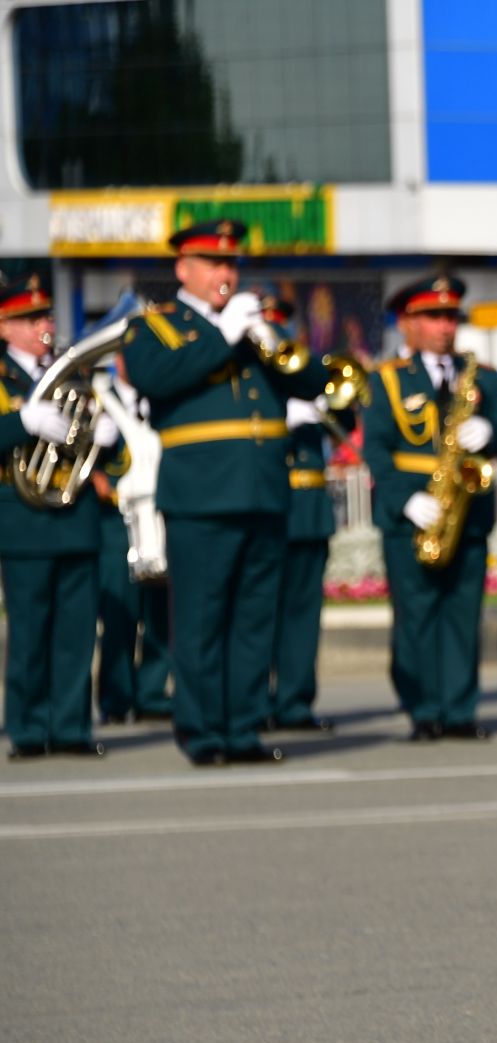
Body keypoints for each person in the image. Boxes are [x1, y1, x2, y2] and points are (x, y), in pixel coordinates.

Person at [121, 220, 331, 765]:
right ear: (182, 269)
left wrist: (269, 340)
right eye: (213, 263)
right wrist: (223, 336)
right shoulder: (156, 328)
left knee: (254, 619)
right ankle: (202, 731)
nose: (225, 273)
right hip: (200, 498)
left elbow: (312, 384)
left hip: (264, 494)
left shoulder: (253, 329)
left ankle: (243, 729)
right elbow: (157, 380)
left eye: (231, 264)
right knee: (201, 619)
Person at [363, 275, 497, 742]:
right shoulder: (389, 379)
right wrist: (402, 499)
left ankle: (459, 709)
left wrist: (492, 432)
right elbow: (374, 449)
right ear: (407, 323)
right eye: (433, 317)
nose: (445, 327)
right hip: (413, 511)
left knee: (462, 615)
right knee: (415, 615)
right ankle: (422, 708)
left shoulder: (483, 377)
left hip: (466, 512)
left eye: (451, 316)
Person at [0, 272, 111, 760]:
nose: (43, 324)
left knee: (77, 632)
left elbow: (99, 443)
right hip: (23, 518)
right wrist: (20, 421)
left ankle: (70, 727)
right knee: (29, 631)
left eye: (45, 315)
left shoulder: (75, 375)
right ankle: (27, 729)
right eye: (30, 318)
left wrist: (107, 436)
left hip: (75, 514)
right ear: (5, 326)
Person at [259, 292, 335, 732]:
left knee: (303, 614)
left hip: (307, 508)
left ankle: (295, 702)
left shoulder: (301, 369)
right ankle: (259, 702)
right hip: (270, 505)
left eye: (280, 323)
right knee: (262, 612)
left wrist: (324, 404)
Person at [93, 428, 173, 727]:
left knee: (161, 612)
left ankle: (151, 694)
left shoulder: (158, 394)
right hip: (117, 516)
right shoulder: (101, 398)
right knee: (120, 614)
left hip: (156, 513)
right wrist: (94, 473)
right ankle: (116, 699)